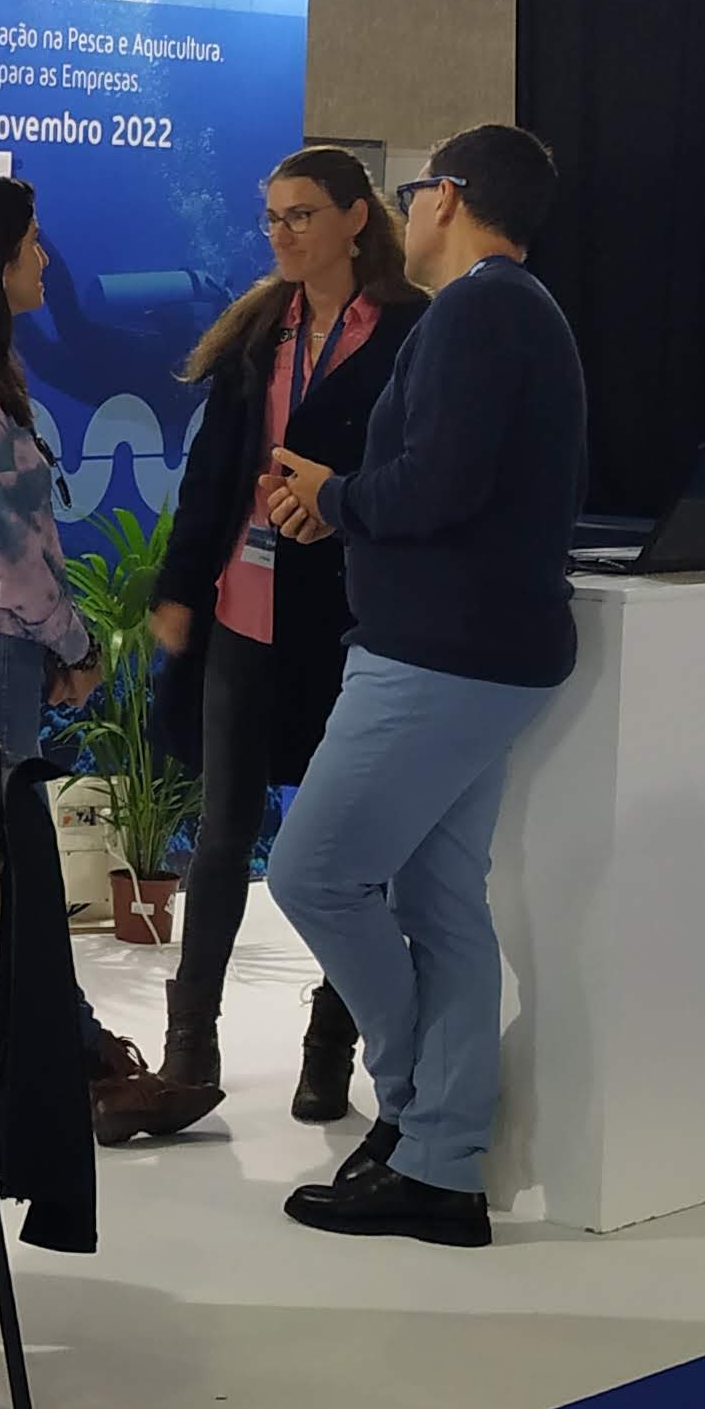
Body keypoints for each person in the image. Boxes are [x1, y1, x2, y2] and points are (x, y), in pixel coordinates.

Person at [254, 123, 588, 1246]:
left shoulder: (480, 311)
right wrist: (349, 500)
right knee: (440, 901)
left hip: (439, 654)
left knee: (312, 873)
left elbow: (436, 485)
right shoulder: (514, 311)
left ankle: (411, 1114)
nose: (407, 209)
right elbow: (458, 479)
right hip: (475, 650)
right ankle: (441, 1169)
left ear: (448, 197)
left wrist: (335, 498)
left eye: (414, 191)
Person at [0, 171, 221, 1143]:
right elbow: (14, 560)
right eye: (30, 244)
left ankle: (45, 1059)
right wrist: (75, 649)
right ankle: (73, 1066)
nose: (43, 259)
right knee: (12, 881)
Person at [147, 147, 425, 1119]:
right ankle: (189, 1048)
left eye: (301, 214)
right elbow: (212, 474)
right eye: (272, 216)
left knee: (351, 842)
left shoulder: (411, 331)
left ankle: (331, 1043)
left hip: (352, 619)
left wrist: (342, 506)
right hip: (243, 610)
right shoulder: (260, 328)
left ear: (357, 217)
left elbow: (417, 475)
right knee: (222, 832)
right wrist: (179, 588)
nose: (282, 233)